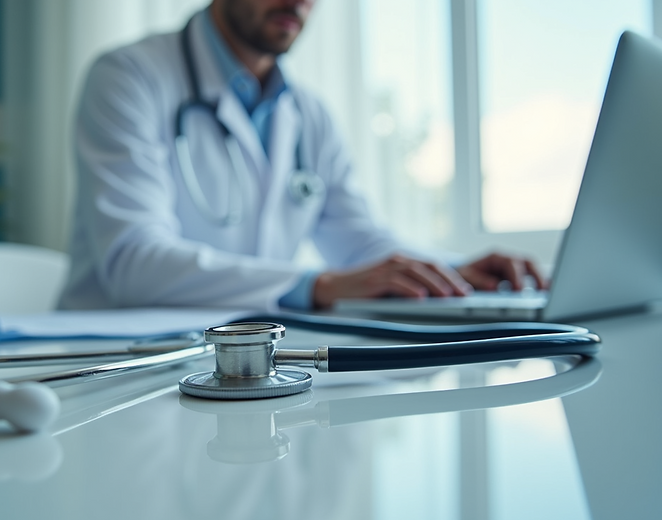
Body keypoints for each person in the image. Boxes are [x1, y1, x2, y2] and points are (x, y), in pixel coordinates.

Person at [59, 0, 545, 311]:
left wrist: (455, 274)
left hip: (245, 361)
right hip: (113, 367)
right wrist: (316, 286)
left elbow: (361, 243)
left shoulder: (309, 114)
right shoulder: (129, 77)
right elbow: (133, 262)